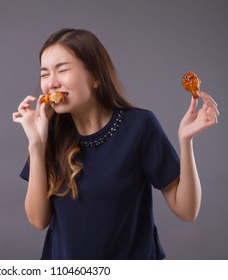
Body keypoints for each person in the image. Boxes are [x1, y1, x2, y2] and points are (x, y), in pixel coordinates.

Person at [12, 28, 219, 259]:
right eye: (44, 74)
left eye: (62, 70)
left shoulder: (139, 125)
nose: (51, 83)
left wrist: (185, 140)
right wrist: (37, 144)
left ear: (96, 77)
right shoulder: (49, 132)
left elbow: (187, 211)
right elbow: (38, 220)